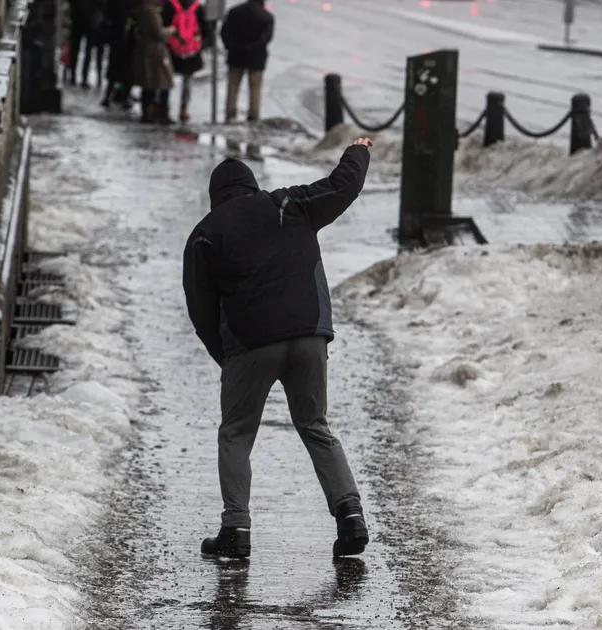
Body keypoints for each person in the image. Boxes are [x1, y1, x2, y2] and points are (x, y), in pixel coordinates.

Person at [182, 137, 375, 559]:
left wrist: (229, 358)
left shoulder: (205, 234)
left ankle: (236, 529)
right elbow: (344, 186)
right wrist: (357, 150)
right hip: (309, 335)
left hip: (250, 344)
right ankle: (351, 518)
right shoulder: (290, 204)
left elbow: (201, 312)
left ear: (216, 197)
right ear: (252, 186)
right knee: (315, 425)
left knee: (236, 433)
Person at [219, 0, 274, 123]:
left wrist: (232, 47)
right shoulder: (267, 17)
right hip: (256, 58)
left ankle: (230, 115)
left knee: (232, 87)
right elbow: (266, 39)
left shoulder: (234, 12)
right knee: (255, 89)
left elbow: (224, 32)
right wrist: (251, 48)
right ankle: (253, 117)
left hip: (235, 55)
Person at [162, 0, 210, 122]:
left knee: (166, 79)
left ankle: (163, 107)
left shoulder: (169, 6)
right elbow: (207, 32)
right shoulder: (197, 7)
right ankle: (184, 109)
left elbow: (162, 28)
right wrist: (200, 46)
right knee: (187, 81)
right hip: (191, 50)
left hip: (171, 50)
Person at [132, 0, 176, 123]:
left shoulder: (143, 7)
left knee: (149, 82)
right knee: (164, 81)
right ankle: (161, 113)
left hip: (146, 49)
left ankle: (148, 112)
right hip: (155, 51)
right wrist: (172, 30)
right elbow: (158, 32)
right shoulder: (150, 10)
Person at [100, 0, 138, 108]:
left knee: (117, 70)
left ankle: (115, 95)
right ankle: (121, 96)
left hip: (119, 38)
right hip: (124, 39)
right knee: (124, 70)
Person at [68, 0, 106, 87]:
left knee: (76, 50)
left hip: (80, 18)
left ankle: (73, 76)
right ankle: (82, 77)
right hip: (89, 20)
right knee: (86, 51)